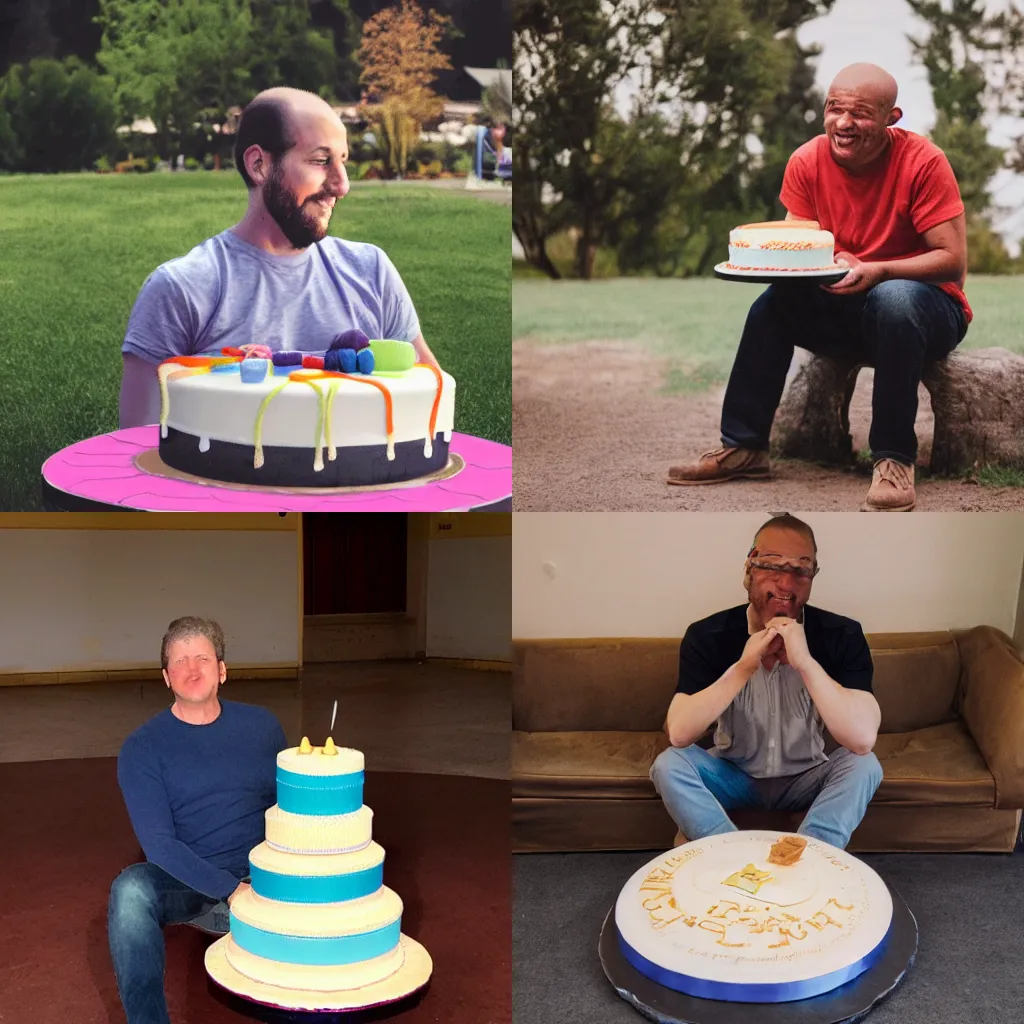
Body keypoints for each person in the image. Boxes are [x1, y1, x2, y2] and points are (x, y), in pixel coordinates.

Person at [667, 63, 971, 512]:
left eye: (861, 114)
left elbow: (953, 262)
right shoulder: (807, 160)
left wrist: (877, 269)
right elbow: (797, 248)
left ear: (892, 117)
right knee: (773, 305)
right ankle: (745, 446)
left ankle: (893, 459)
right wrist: (786, 263)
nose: (844, 124)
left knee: (893, 298)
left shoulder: (923, 162)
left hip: (927, 311)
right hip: (849, 306)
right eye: (834, 109)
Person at [119, 86, 441, 428]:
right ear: (259, 165)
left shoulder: (371, 272)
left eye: (343, 161)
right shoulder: (181, 289)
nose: (342, 185)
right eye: (321, 161)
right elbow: (137, 446)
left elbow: (429, 405)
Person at [650, 515, 883, 849]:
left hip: (807, 776)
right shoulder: (707, 635)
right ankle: (729, 853)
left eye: (801, 570)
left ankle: (809, 857)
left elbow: (861, 740)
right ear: (749, 567)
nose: (786, 583)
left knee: (865, 766)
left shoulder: (842, 635)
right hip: (733, 774)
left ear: (813, 576)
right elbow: (680, 732)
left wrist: (805, 663)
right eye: (773, 565)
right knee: (668, 764)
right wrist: (745, 666)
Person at [108, 616, 286, 1024]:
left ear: (222, 670)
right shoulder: (142, 748)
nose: (192, 669)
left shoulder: (263, 727)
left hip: (262, 875)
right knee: (130, 892)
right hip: (189, 881)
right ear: (166, 676)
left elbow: (285, 809)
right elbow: (160, 846)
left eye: (202, 658)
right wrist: (231, 890)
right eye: (181, 660)